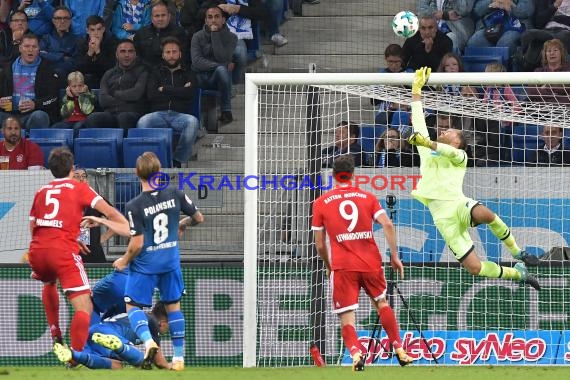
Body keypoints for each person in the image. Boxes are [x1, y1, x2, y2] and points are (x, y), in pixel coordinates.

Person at [402, 66, 541, 291]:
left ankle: (518, 251)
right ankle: (519, 274)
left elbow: (445, 151)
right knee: (474, 268)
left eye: (451, 132)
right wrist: (416, 90)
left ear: (458, 142)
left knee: (485, 214)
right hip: (443, 219)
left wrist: (426, 143)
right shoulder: (428, 153)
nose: (444, 131)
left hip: (458, 205)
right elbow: (418, 121)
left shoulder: (460, 156)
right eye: (444, 130)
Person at [311, 155, 413, 371]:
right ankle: (400, 349)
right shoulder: (367, 197)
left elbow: (319, 245)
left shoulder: (320, 203)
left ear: (333, 175)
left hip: (343, 266)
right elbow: (387, 224)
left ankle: (357, 354)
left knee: (347, 316)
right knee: (382, 303)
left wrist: (329, 267)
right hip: (370, 263)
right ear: (353, 174)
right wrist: (394, 255)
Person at [27, 147, 130, 354]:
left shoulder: (41, 191)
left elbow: (34, 225)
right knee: (85, 308)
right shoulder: (79, 188)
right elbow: (116, 218)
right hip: (63, 252)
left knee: (49, 282)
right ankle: (76, 355)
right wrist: (100, 220)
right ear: (72, 169)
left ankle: (56, 336)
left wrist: (42, 255)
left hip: (38, 250)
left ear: (51, 169)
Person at [111, 151, 204, 371]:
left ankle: (148, 341)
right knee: (173, 307)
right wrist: (181, 223)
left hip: (145, 265)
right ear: (159, 171)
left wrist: (123, 261)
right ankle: (179, 358)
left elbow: (136, 244)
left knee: (132, 307)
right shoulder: (175, 193)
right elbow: (199, 218)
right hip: (170, 261)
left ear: (136, 173)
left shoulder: (135, 205)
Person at [136, 36, 200, 168]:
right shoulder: (155, 72)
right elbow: (152, 95)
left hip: (179, 115)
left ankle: (177, 159)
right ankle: (152, 161)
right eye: (168, 52)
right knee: (142, 122)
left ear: (180, 53)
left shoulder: (188, 72)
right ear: (163, 55)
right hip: (158, 114)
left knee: (193, 122)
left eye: (174, 52)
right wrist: (180, 90)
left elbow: (190, 94)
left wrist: (164, 89)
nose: (171, 55)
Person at [53, 301, 170, 370]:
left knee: (117, 366)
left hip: (95, 331)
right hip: (109, 333)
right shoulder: (152, 322)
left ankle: (72, 354)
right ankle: (119, 346)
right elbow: (159, 362)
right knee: (141, 361)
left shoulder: (135, 313)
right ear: (163, 323)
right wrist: (171, 366)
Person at [83, 39, 148, 131]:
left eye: (130, 51)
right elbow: (103, 100)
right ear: (117, 55)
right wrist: (126, 100)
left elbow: (136, 94)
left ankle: (124, 145)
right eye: (122, 51)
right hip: (111, 113)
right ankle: (102, 145)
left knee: (124, 118)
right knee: (93, 118)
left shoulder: (142, 71)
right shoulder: (109, 74)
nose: (126, 55)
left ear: (135, 55)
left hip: (133, 113)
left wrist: (114, 93)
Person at [0, 33, 59, 129]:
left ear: (38, 49)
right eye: (27, 46)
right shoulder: (7, 69)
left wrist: (35, 104)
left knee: (40, 116)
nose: (30, 50)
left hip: (32, 116)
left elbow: (53, 98)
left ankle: (31, 142)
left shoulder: (48, 69)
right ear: (20, 48)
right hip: (9, 116)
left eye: (34, 47)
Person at [191, 2, 237, 124]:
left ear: (223, 20)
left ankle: (226, 111)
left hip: (219, 79)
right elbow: (196, 62)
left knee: (222, 71)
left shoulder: (232, 37)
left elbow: (222, 57)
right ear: (205, 20)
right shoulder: (197, 36)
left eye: (217, 17)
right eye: (210, 17)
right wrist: (220, 65)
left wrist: (215, 34)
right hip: (200, 77)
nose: (213, 20)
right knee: (222, 68)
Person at [73, 166, 115, 263]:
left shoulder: (97, 200)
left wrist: (103, 238)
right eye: (76, 176)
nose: (81, 179)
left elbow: (117, 219)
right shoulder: (64, 201)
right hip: (73, 254)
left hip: (94, 254)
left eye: (84, 176)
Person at [134, 1, 187, 68]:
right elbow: (137, 57)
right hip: (147, 72)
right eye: (157, 16)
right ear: (151, 18)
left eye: (163, 15)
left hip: (170, 72)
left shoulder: (179, 33)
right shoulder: (141, 33)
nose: (160, 19)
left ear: (169, 16)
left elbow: (184, 58)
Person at [74, 15, 117, 89]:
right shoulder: (81, 44)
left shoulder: (112, 43)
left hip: (107, 78)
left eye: (99, 29)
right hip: (87, 79)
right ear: (87, 31)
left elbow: (111, 69)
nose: (96, 33)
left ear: (103, 29)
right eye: (92, 30)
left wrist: (98, 51)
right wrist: (89, 53)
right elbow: (78, 70)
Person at [526, 38, 570, 104]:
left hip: (562, 108)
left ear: (561, 53)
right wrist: (556, 93)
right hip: (540, 109)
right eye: (549, 51)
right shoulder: (538, 71)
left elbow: (567, 88)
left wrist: (544, 87)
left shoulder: (568, 69)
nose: (552, 53)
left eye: (555, 50)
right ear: (545, 55)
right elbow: (531, 92)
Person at [39, 5, 78, 79]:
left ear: (70, 20)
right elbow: (41, 54)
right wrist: (62, 56)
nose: (62, 21)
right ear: (53, 20)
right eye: (58, 18)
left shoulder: (76, 39)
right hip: (48, 75)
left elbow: (74, 62)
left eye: (66, 18)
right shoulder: (46, 38)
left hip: (69, 77)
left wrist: (51, 55)